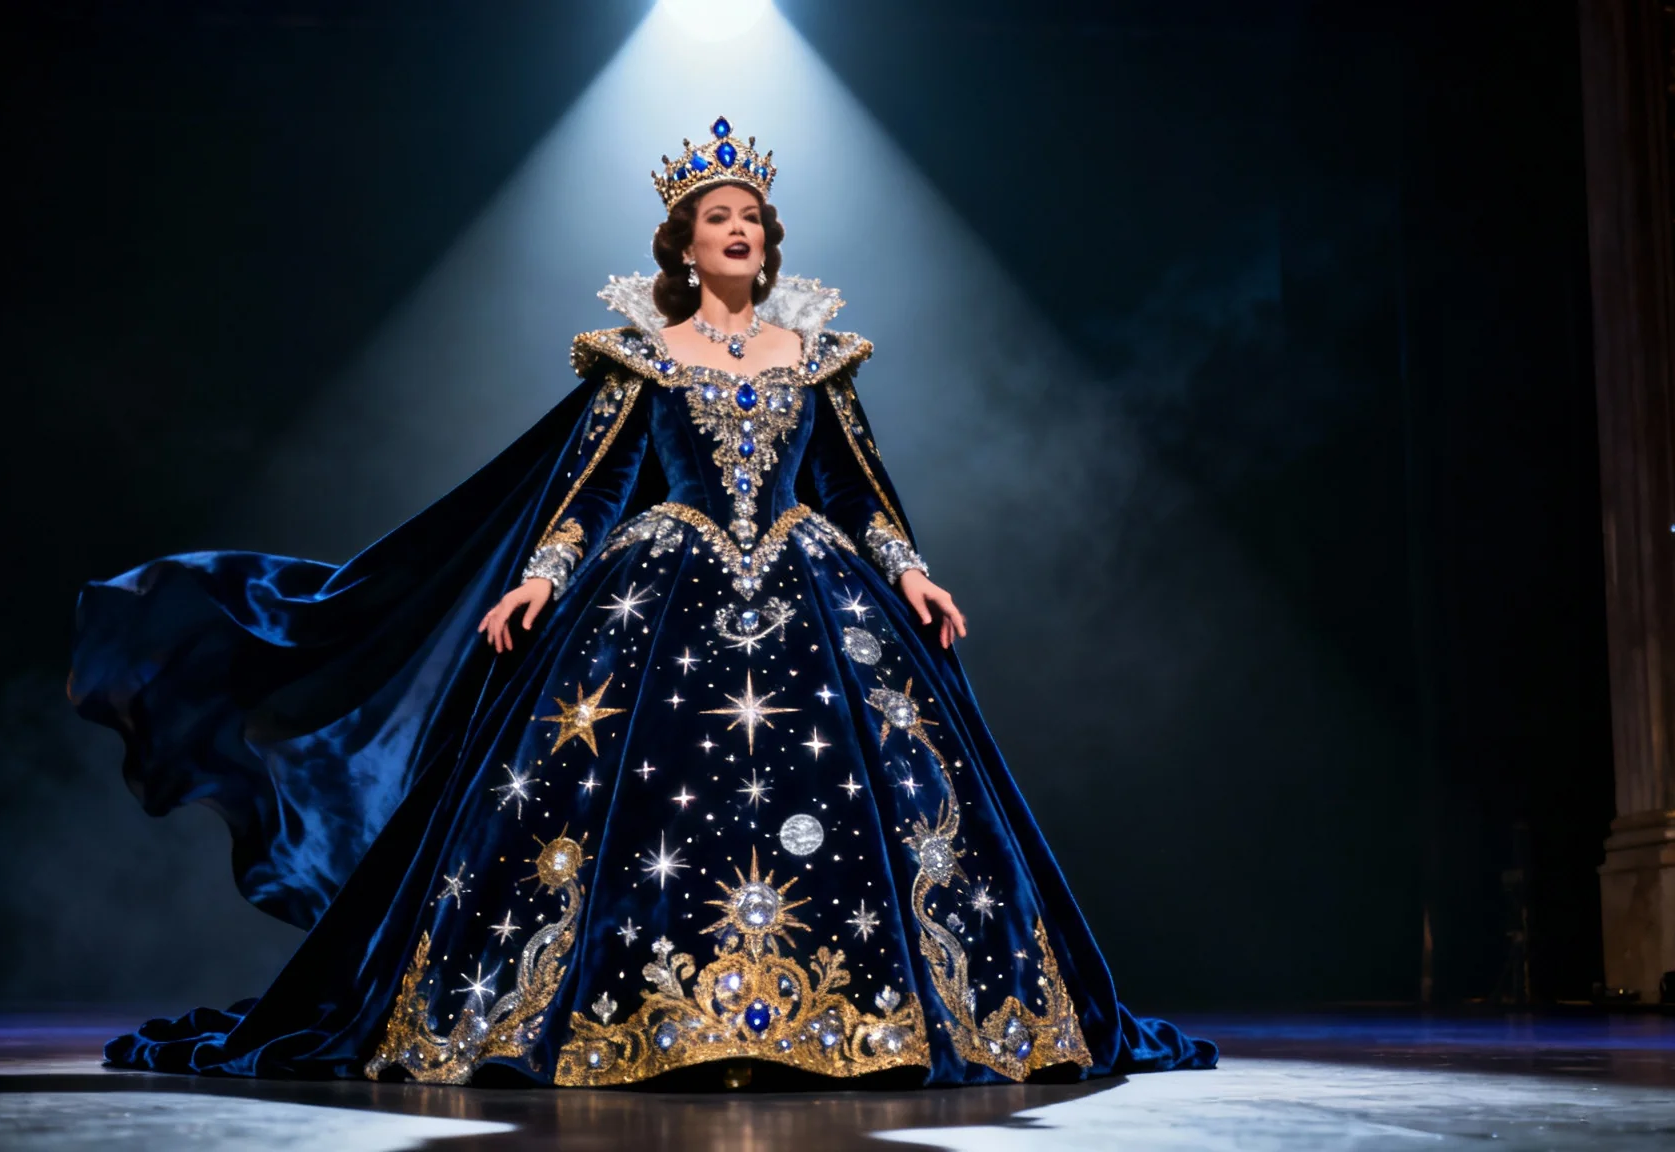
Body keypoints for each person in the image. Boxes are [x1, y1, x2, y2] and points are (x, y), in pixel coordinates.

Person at [70, 117, 1218, 1087]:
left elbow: (854, 489)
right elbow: (593, 494)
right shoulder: (645, 360)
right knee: (637, 796)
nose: (738, 229)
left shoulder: (815, 358)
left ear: (766, 241)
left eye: (751, 217)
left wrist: (910, 570)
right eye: (717, 217)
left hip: (811, 585)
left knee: (849, 796)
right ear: (684, 243)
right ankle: (631, 1008)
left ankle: (862, 1014)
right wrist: (538, 578)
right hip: (660, 591)